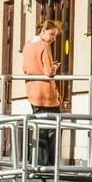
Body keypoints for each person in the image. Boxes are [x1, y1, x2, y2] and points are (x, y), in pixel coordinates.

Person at [20, 19, 62, 167]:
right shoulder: (44, 47)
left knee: (38, 129)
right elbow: (48, 71)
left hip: (33, 92)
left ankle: (35, 162)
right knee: (52, 129)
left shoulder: (27, 46)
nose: (53, 38)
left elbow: (25, 68)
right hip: (47, 95)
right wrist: (55, 67)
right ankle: (49, 164)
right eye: (52, 34)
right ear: (43, 31)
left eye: (55, 36)